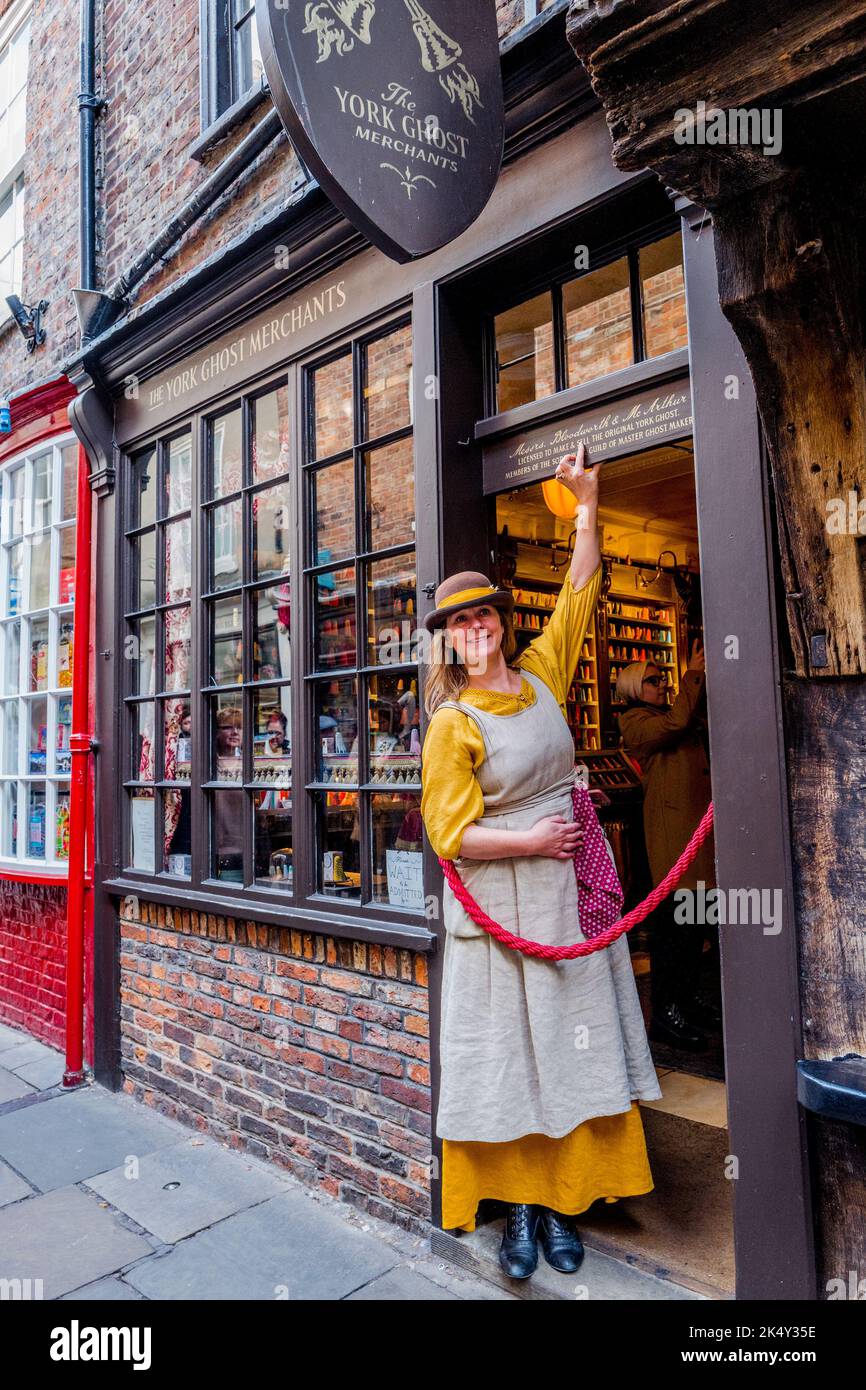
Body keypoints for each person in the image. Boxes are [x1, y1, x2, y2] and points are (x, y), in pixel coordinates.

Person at [420, 445, 662, 1281]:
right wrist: (528, 840)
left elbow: (582, 594)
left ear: (500, 623)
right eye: (460, 623)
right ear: (448, 642)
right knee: (511, 1056)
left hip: (566, 899)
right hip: (500, 909)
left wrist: (588, 505)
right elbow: (448, 833)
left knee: (567, 1046)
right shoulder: (452, 725)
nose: (476, 629)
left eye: (484, 615)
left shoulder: (544, 678)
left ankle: (569, 1203)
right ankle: (518, 1210)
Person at [616, 646, 720, 1051]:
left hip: (699, 839)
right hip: (674, 844)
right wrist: (693, 675)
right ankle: (665, 1013)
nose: (662, 685)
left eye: (664, 679)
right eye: (653, 680)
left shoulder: (675, 714)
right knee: (674, 933)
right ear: (632, 689)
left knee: (697, 929)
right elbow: (676, 724)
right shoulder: (635, 722)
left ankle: (689, 999)